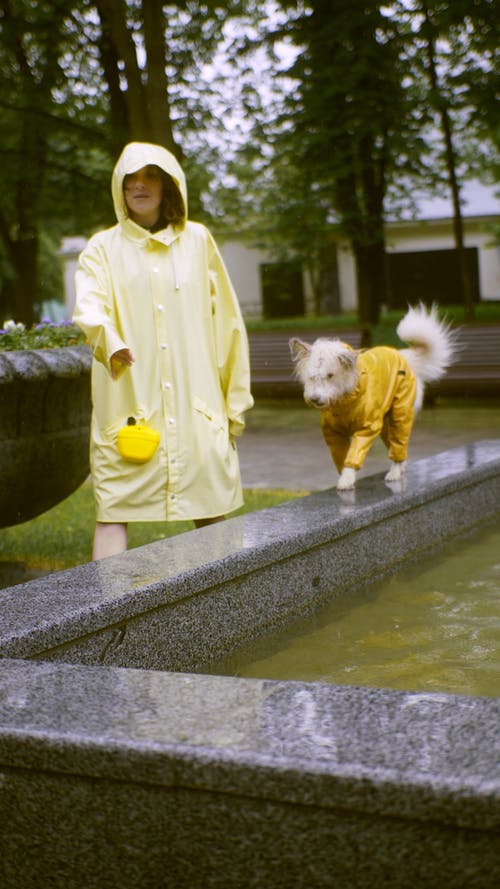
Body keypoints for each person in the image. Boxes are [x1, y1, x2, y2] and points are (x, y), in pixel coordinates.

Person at [73, 141, 254, 559]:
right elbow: (89, 305)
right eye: (131, 178)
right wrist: (110, 340)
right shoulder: (102, 248)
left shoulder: (198, 241)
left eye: (150, 175)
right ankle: (106, 600)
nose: (139, 185)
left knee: (210, 508)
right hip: (129, 402)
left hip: (196, 405)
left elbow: (228, 323)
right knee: (113, 508)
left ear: (169, 184)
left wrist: (234, 402)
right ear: (119, 187)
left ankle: (227, 594)